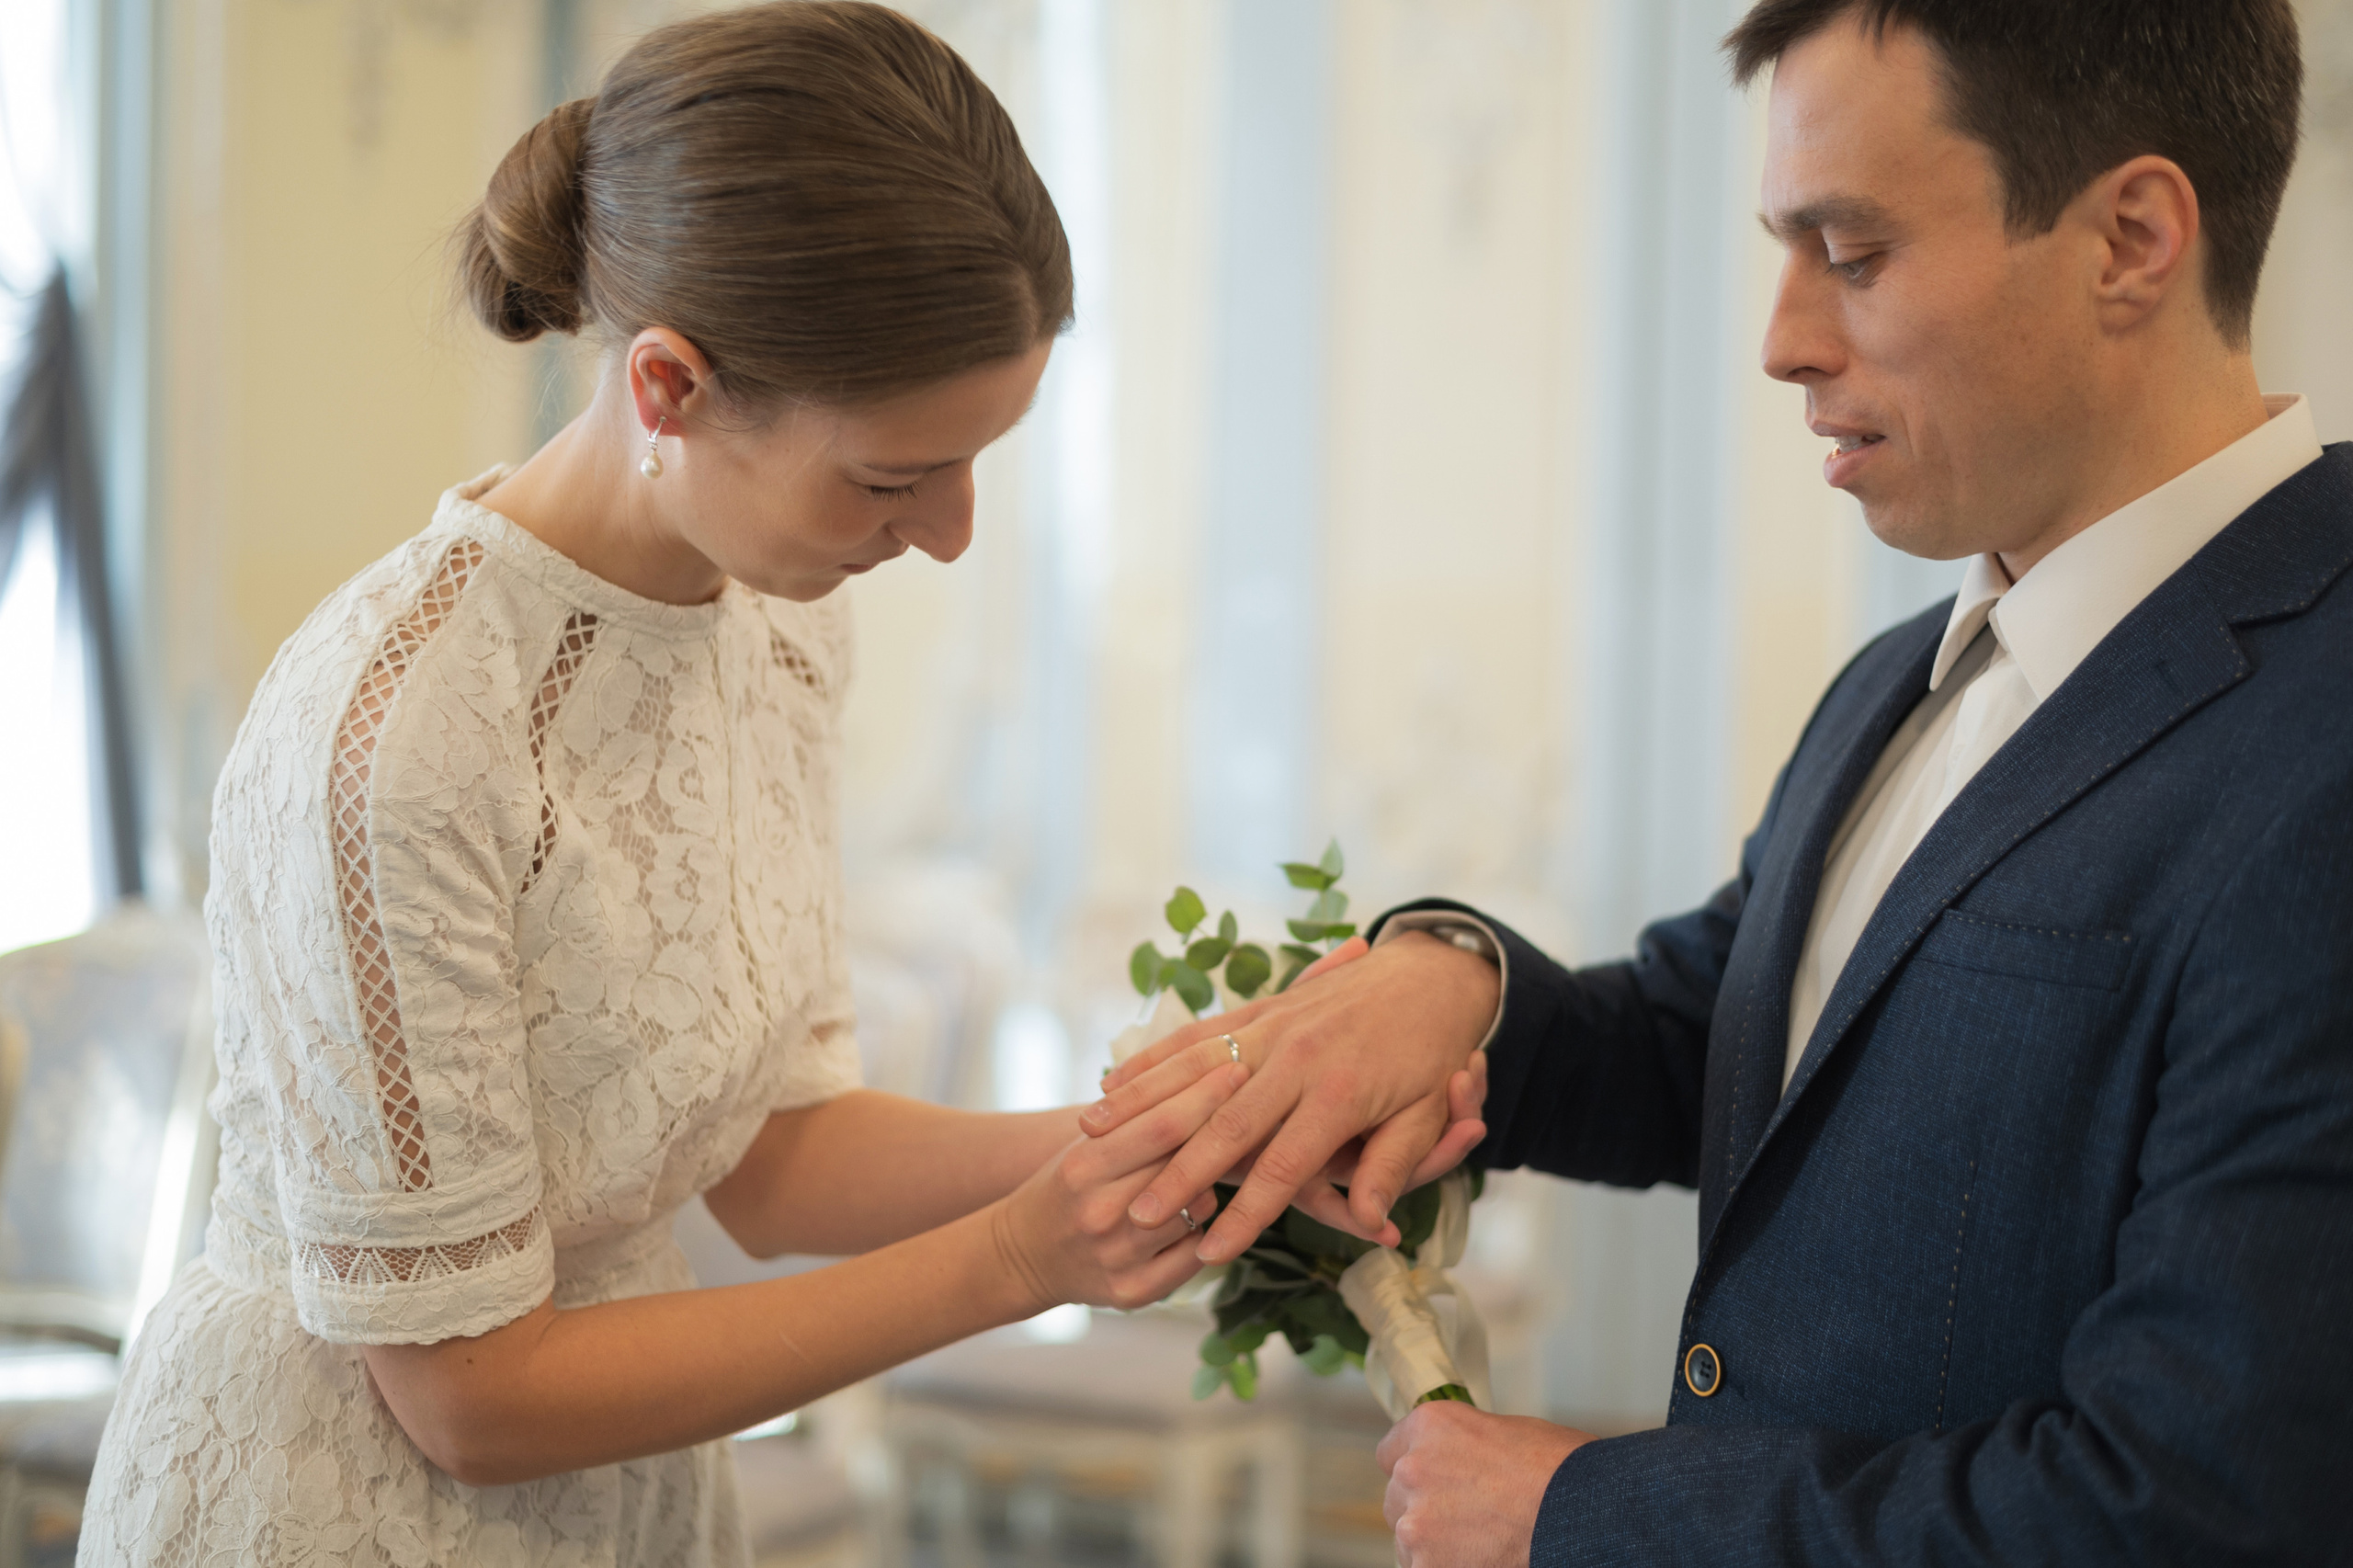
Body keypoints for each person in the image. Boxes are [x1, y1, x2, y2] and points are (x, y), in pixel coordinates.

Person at [1089, 1, 2351, 1563]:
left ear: (2132, 238)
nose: (1782, 340)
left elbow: (2200, 1505)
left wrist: (1591, 1513)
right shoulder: (1901, 677)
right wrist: (1452, 984)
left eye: (1855, 251)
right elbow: (1739, 1040)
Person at [78, 7, 1250, 1564]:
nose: (952, 533)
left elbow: (767, 1154)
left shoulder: (778, 632)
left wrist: (1166, 1133)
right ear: (666, 388)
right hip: (350, 1504)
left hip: (637, 1490)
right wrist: (1015, 1261)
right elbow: (469, 1397)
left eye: (977, 460)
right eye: (895, 478)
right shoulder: (396, 732)